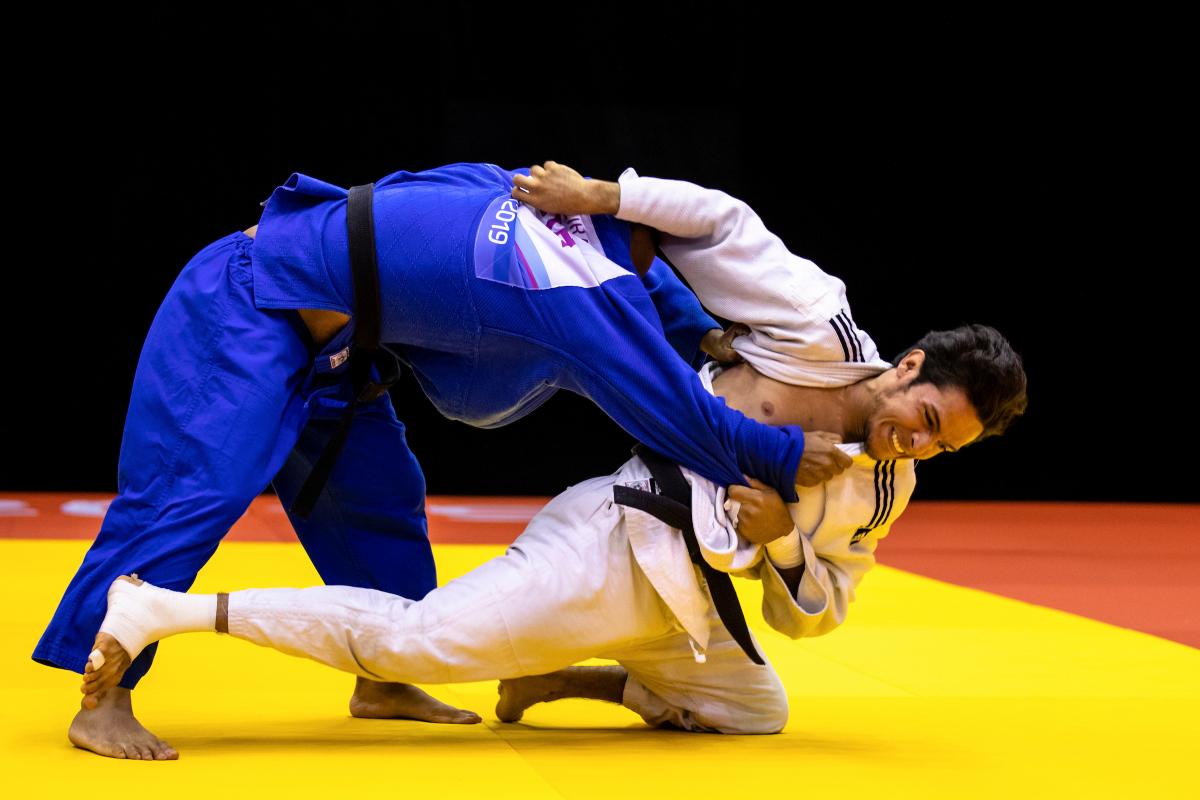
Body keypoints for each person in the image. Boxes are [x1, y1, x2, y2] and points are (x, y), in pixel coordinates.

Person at [80, 165, 1027, 740]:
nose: (923, 444)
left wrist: (703, 342)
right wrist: (775, 464)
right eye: (931, 416)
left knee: (377, 502)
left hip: (345, 353)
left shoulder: (562, 227)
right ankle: (115, 668)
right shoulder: (577, 278)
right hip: (254, 301)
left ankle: (388, 683)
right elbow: (673, 362)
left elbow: (659, 274)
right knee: (191, 495)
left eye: (949, 444)